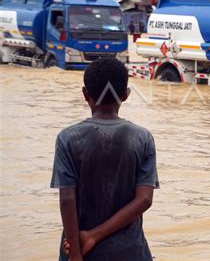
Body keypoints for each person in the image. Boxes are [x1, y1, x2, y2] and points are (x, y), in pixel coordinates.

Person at [51, 57, 159, 261]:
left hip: (81, 251)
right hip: (130, 252)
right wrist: (93, 236)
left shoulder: (67, 139)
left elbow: (67, 200)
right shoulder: (142, 138)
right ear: (126, 95)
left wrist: (75, 252)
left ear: (85, 94)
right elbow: (144, 199)